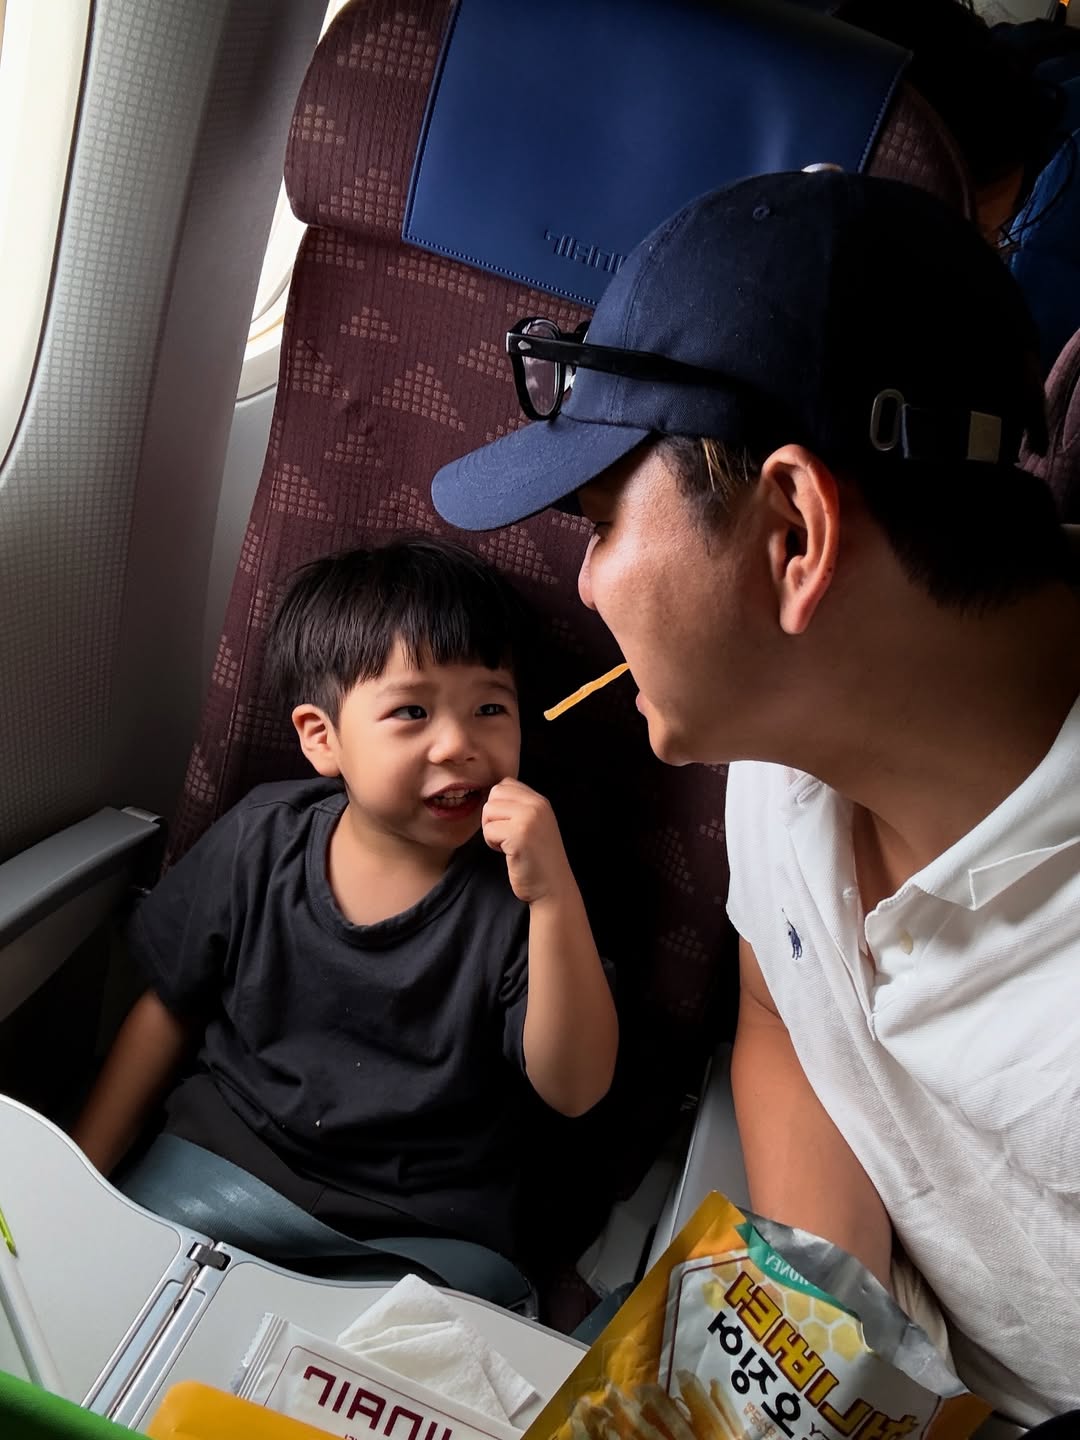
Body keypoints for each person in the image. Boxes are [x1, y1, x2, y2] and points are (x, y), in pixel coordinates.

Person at [430, 172, 1080, 1425]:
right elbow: (786, 1003)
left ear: (792, 534)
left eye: (601, 521)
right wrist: (828, 1347)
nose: (588, 584)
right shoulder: (784, 742)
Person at [71, 538, 617, 1262]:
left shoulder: (525, 889)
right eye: (412, 712)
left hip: (419, 1233)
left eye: (490, 707)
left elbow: (575, 1089)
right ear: (322, 738)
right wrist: (83, 1180)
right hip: (220, 1176)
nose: (458, 745)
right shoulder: (262, 839)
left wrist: (552, 898)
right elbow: (169, 1009)